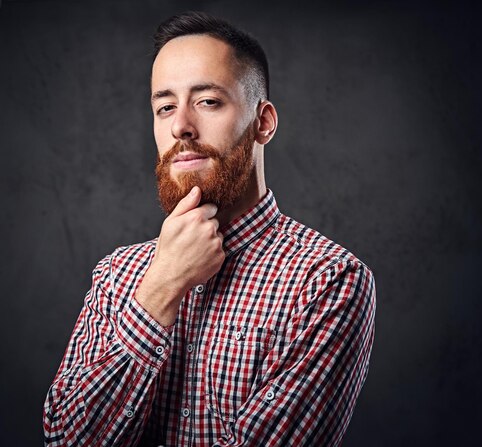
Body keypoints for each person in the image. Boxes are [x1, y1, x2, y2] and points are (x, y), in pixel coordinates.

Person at [43, 11, 376, 447]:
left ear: (264, 122)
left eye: (207, 101)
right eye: (165, 107)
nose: (181, 125)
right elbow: (65, 440)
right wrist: (162, 288)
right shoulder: (116, 276)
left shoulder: (328, 282)